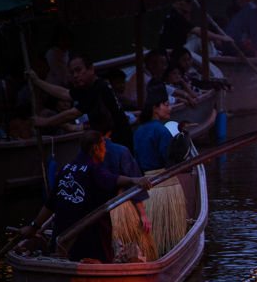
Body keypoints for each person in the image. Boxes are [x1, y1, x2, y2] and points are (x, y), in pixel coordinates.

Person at [19, 131, 151, 263]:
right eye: (103, 146)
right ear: (95, 148)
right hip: (88, 244)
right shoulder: (93, 170)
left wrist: (34, 227)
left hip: (62, 245)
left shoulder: (65, 170)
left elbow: (49, 206)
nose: (105, 150)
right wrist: (134, 180)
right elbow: (114, 180)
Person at [28, 54, 135, 154]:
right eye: (72, 72)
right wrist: (37, 81)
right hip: (109, 143)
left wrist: (45, 121)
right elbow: (65, 93)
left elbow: (73, 114)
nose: (75, 76)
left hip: (119, 144)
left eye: (78, 70)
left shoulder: (97, 88)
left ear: (91, 69)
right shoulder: (89, 88)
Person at [90, 107, 151, 235]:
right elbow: (133, 184)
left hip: (92, 210)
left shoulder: (84, 152)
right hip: (119, 207)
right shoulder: (121, 151)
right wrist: (143, 214)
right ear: (110, 130)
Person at [133, 85, 173, 172]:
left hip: (142, 179)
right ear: (155, 108)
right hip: (161, 177)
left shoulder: (138, 131)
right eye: (166, 105)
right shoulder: (162, 131)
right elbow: (169, 160)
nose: (170, 108)